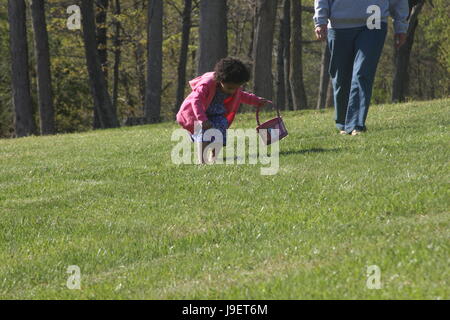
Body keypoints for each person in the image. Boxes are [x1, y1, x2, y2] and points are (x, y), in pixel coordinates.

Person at [313, 0, 409, 135]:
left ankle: (356, 125)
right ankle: (344, 123)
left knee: (362, 73)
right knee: (341, 77)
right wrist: (320, 20)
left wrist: (401, 25)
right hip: (339, 25)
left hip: (373, 21)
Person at [176, 57, 270, 164]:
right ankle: (202, 161)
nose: (233, 91)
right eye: (230, 88)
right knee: (203, 133)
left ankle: (214, 158)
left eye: (236, 88)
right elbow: (196, 100)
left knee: (220, 128)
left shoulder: (233, 86)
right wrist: (202, 120)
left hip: (216, 114)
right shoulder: (207, 84)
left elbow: (241, 96)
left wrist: (257, 101)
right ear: (221, 80)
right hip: (197, 114)